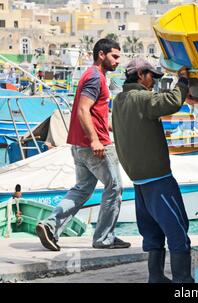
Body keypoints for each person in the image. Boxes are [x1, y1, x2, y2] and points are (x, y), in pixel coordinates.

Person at [35, 39, 130, 251]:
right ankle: (104, 238)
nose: (117, 61)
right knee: (114, 187)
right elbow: (83, 109)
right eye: (114, 56)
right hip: (93, 146)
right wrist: (96, 139)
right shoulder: (96, 77)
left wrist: (114, 128)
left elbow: (94, 112)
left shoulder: (93, 76)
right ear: (102, 55)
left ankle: (50, 226)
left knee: (82, 189)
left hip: (79, 145)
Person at [112, 58, 194, 283]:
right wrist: (183, 81)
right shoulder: (142, 98)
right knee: (178, 233)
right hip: (159, 181)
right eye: (152, 77)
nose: (154, 82)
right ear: (140, 74)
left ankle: (156, 278)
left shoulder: (118, 100)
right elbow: (172, 101)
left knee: (153, 235)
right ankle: (183, 282)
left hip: (139, 182)